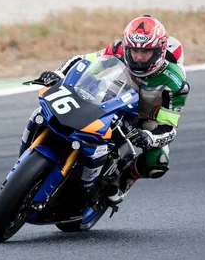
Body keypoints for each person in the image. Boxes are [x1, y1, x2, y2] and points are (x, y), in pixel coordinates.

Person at [24, 15, 189, 204]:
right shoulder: (119, 48)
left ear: (159, 52)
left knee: (157, 162)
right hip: (116, 95)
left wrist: (148, 137)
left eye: (146, 52)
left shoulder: (175, 82)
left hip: (146, 117)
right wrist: (58, 74)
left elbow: (169, 127)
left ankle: (123, 181)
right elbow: (83, 61)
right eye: (133, 50)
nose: (138, 57)